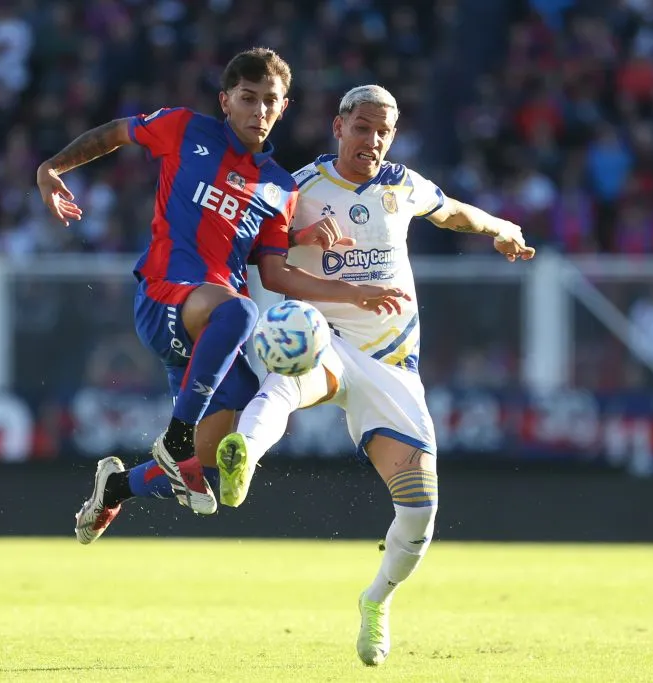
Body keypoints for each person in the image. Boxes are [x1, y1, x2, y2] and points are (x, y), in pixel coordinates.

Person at [213, 85, 535, 666]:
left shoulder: (401, 185)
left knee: (420, 511)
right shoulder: (298, 187)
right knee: (288, 382)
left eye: (384, 131)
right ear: (339, 128)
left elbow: (451, 210)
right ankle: (245, 457)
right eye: (363, 128)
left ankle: (376, 598)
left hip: (391, 365)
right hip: (326, 341)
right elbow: (258, 252)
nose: (374, 140)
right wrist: (301, 240)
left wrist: (498, 226)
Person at [35, 49, 407, 542]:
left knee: (226, 444)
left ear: (283, 107)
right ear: (225, 101)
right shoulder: (185, 129)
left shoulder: (279, 187)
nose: (258, 111)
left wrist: (350, 291)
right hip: (168, 297)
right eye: (247, 98)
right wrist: (52, 168)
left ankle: (118, 486)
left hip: (212, 328)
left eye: (269, 101)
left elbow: (274, 271)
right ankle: (175, 438)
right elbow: (115, 133)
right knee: (243, 311)